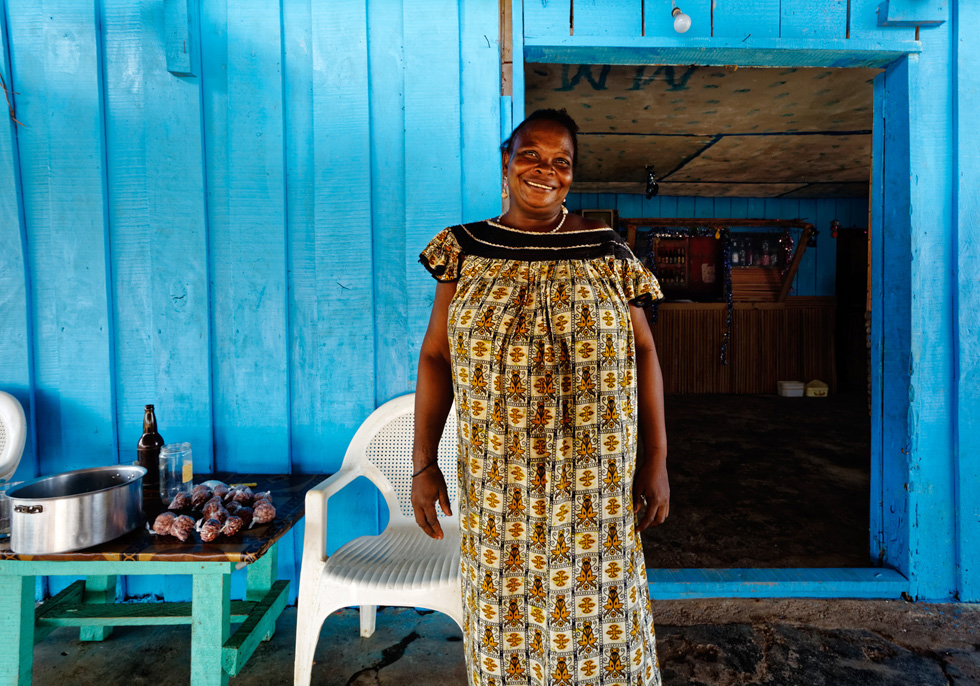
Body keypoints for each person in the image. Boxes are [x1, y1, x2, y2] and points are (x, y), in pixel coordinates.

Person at [411, 108, 669, 686]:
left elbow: (644, 353)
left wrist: (657, 458)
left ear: (572, 175)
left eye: (562, 162)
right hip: (500, 486)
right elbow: (436, 357)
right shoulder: (463, 249)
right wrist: (422, 462)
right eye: (531, 154)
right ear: (507, 160)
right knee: (507, 630)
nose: (545, 170)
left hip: (594, 488)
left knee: (604, 625)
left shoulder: (606, 251)